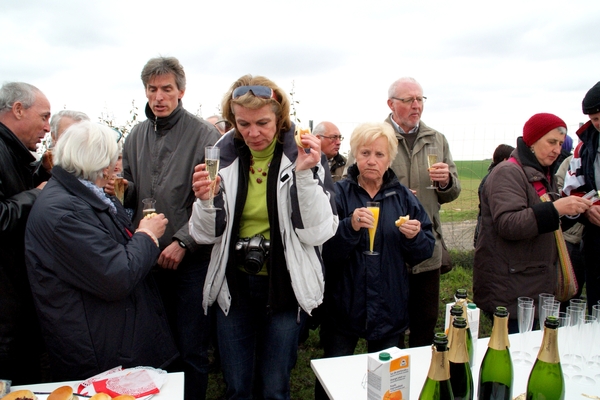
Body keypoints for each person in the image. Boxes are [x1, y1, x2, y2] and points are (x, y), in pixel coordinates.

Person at [189, 74, 338, 399]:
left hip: (284, 286)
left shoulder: (305, 155)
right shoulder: (221, 156)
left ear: (280, 118)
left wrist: (305, 175)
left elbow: (319, 231)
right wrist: (203, 201)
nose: (252, 133)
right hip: (234, 287)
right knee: (238, 386)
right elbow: (203, 234)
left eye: (262, 123)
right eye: (243, 123)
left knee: (274, 388)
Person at [24, 121, 178, 380]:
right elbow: (116, 275)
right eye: (112, 156)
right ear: (100, 161)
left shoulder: (78, 196)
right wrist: (147, 234)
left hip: (111, 338)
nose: (114, 165)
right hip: (102, 351)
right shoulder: (65, 213)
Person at [119, 56, 220, 400]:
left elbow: (213, 202)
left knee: (192, 346)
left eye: (166, 89)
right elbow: (132, 189)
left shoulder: (206, 135)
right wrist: (118, 187)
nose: (158, 97)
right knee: (155, 345)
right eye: (152, 89)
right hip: (146, 258)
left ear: (181, 91)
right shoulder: (135, 134)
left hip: (189, 261)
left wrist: (183, 242)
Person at [315, 122, 434, 399]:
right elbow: (324, 251)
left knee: (386, 387)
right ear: (355, 155)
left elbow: (425, 250)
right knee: (333, 379)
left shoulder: (402, 197)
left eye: (379, 154)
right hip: (344, 305)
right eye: (365, 153)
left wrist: (414, 237)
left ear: (390, 158)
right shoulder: (338, 193)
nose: (372, 160)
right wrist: (349, 227)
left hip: (388, 307)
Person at [474, 113, 591, 332]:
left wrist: (574, 212)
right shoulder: (508, 173)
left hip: (530, 284)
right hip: (511, 289)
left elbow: (545, 224)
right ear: (532, 141)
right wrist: (556, 209)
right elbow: (509, 224)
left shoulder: (539, 172)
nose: (557, 149)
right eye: (551, 142)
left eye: (559, 143)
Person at [385, 77, 461, 347]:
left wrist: (445, 182)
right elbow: (354, 186)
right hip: (388, 247)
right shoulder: (376, 136)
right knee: (390, 325)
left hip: (427, 245)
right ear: (391, 104)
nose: (416, 105)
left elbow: (452, 192)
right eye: (409, 100)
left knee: (424, 323)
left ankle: (420, 381)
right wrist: (393, 198)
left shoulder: (436, 139)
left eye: (420, 99)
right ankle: (391, 380)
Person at [0, 81, 51, 384]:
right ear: (18, 110)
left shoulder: (14, 153)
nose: (47, 127)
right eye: (44, 117)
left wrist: (40, 175)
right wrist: (38, 194)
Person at [563, 81, 600, 314]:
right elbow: (572, 188)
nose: (598, 124)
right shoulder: (583, 147)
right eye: (595, 119)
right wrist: (589, 208)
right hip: (596, 236)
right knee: (596, 305)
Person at [556, 155, 586, 307]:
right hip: (571, 236)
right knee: (570, 285)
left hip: (590, 235)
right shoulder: (573, 160)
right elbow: (558, 189)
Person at [473, 144, 514, 247]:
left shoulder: (489, 177)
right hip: (490, 237)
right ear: (505, 160)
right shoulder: (497, 179)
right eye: (512, 159)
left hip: (484, 233)